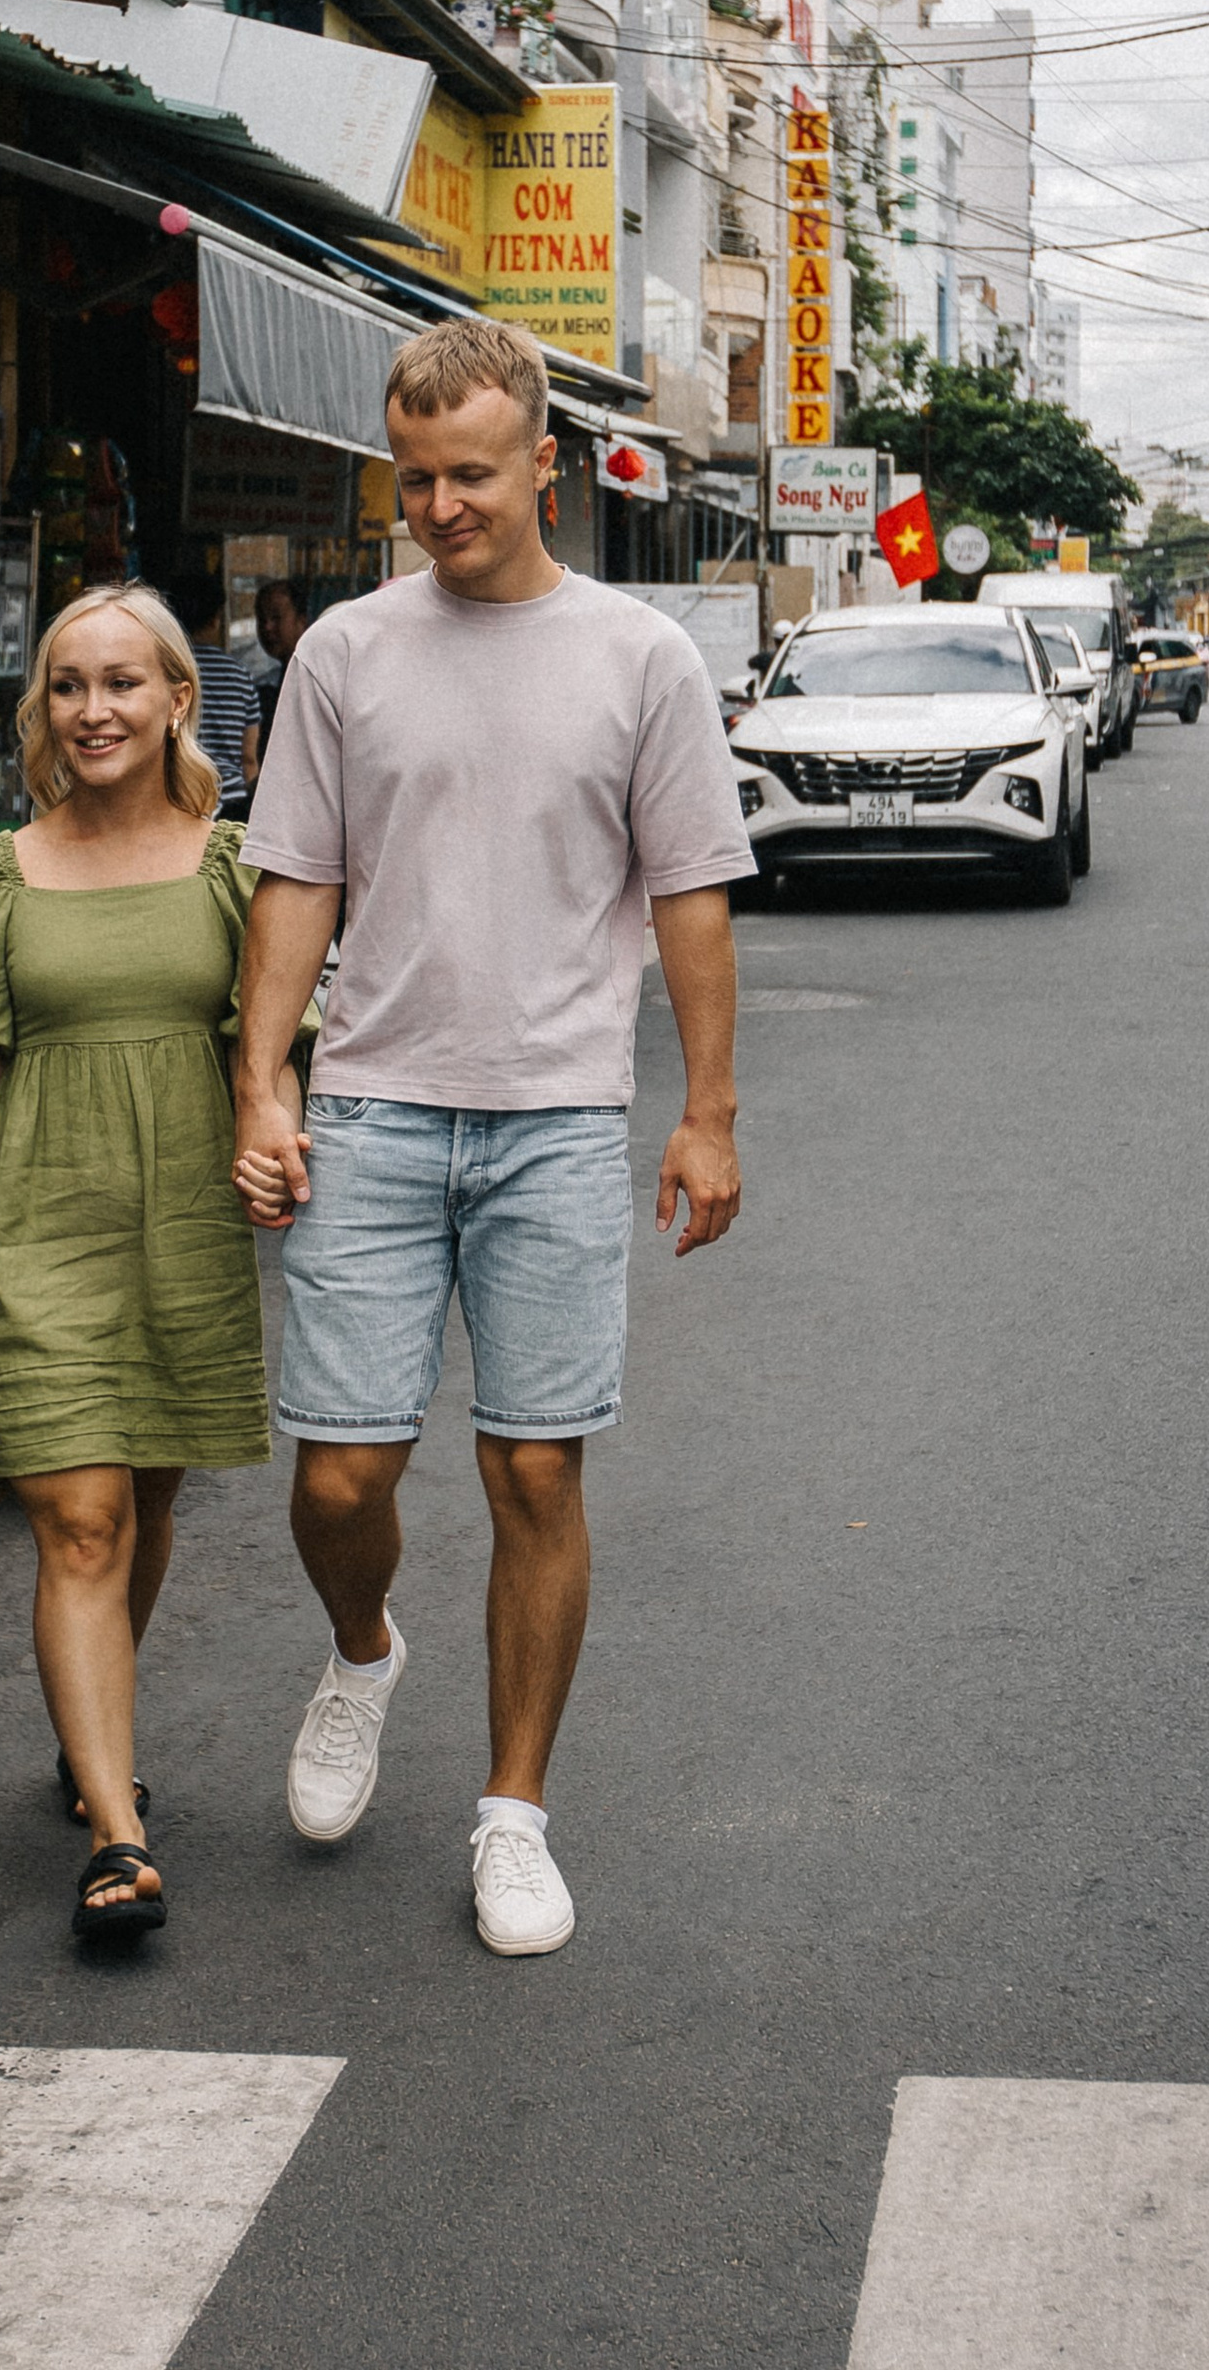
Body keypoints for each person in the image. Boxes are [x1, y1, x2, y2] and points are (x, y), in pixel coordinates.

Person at [228, 316, 754, 1960]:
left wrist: (711, 1115)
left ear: (547, 462)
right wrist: (264, 1078)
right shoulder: (344, 654)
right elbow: (297, 879)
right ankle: (365, 1648)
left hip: (555, 1121)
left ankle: (511, 1811)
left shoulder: (638, 660)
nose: (441, 506)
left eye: (470, 474)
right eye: (415, 477)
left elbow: (690, 894)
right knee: (340, 1473)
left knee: (535, 1462)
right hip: (375, 1109)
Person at [0, 582, 277, 1943]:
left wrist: (278, 1138)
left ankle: (90, 1731)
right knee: (82, 1516)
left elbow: (266, 1050)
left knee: (146, 1502)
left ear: (179, 697)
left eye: (122, 682)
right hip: (37, 1224)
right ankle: (117, 1832)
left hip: (180, 1226)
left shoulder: (237, 868)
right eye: (68, 684)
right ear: (41, 707)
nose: (94, 709)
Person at [170, 565, 261, 812]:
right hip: (232, 802)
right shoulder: (241, 676)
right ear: (215, 620)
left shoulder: (166, 673)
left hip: (181, 795)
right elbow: (248, 760)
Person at [246, 577, 309, 777]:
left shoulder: (314, 676)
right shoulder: (268, 681)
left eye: (276, 617)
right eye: (261, 619)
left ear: (301, 620)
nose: (267, 627)